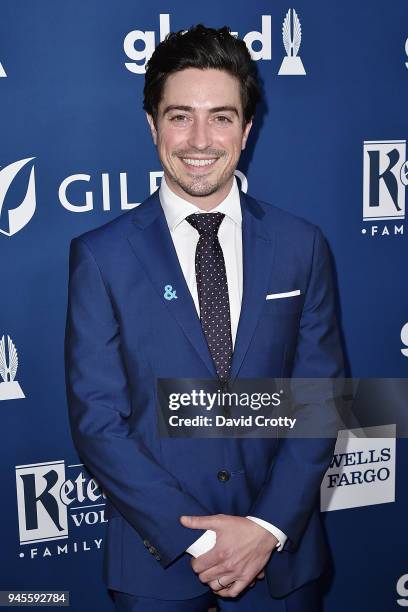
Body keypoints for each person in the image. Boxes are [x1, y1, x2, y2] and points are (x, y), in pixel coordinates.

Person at [64, 24, 344, 612]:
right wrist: (207, 539)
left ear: (246, 129)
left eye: (220, 117)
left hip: (281, 561)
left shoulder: (302, 245)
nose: (199, 139)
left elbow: (319, 399)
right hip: (154, 559)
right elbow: (98, 424)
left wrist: (265, 528)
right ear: (151, 125)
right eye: (178, 115)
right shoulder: (101, 256)